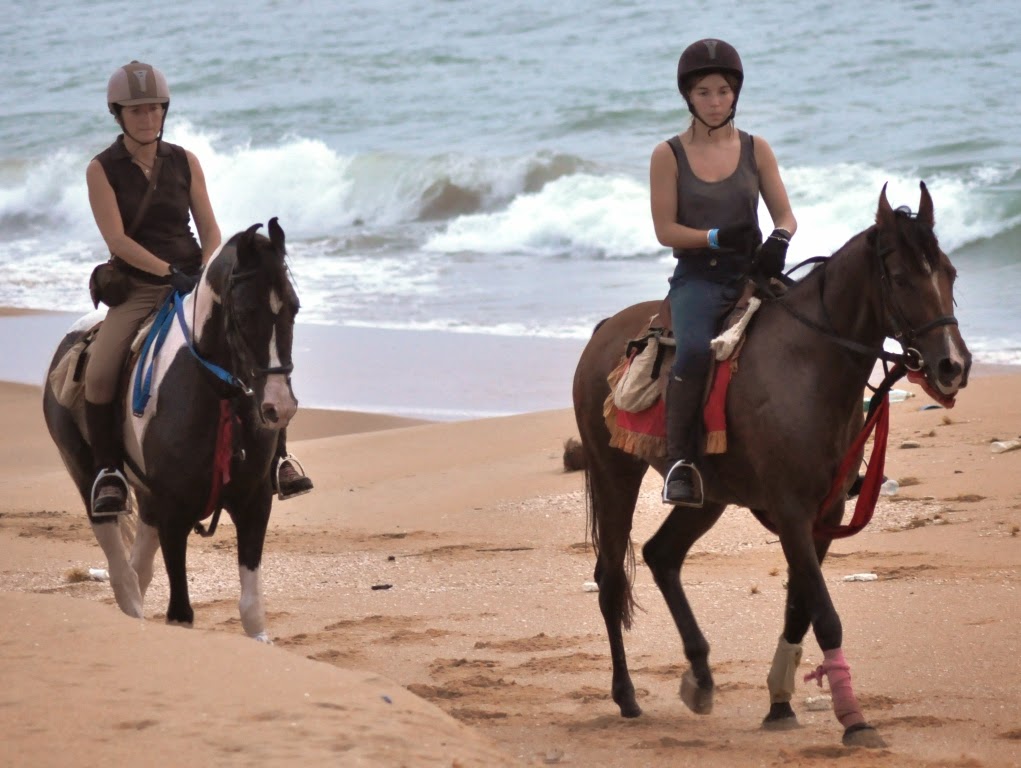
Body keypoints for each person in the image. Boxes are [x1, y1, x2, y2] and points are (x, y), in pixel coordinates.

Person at [84, 61, 313, 518]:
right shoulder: (101, 170)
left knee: (253, 352)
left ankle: (279, 460)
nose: (147, 119)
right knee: (100, 372)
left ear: (164, 111)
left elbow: (209, 227)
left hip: (195, 280)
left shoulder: (185, 160)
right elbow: (117, 241)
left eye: (154, 110)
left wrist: (208, 270)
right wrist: (167, 272)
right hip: (140, 286)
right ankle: (109, 471)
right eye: (136, 111)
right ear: (118, 115)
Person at [649, 39, 797, 507]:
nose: (715, 101)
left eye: (724, 91)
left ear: (736, 94)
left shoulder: (757, 148)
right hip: (699, 279)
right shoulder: (667, 154)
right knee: (692, 351)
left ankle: (835, 454)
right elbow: (665, 231)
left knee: (816, 333)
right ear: (688, 97)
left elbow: (785, 216)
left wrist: (779, 240)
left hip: (752, 272)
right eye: (705, 93)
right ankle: (679, 462)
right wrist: (713, 237)